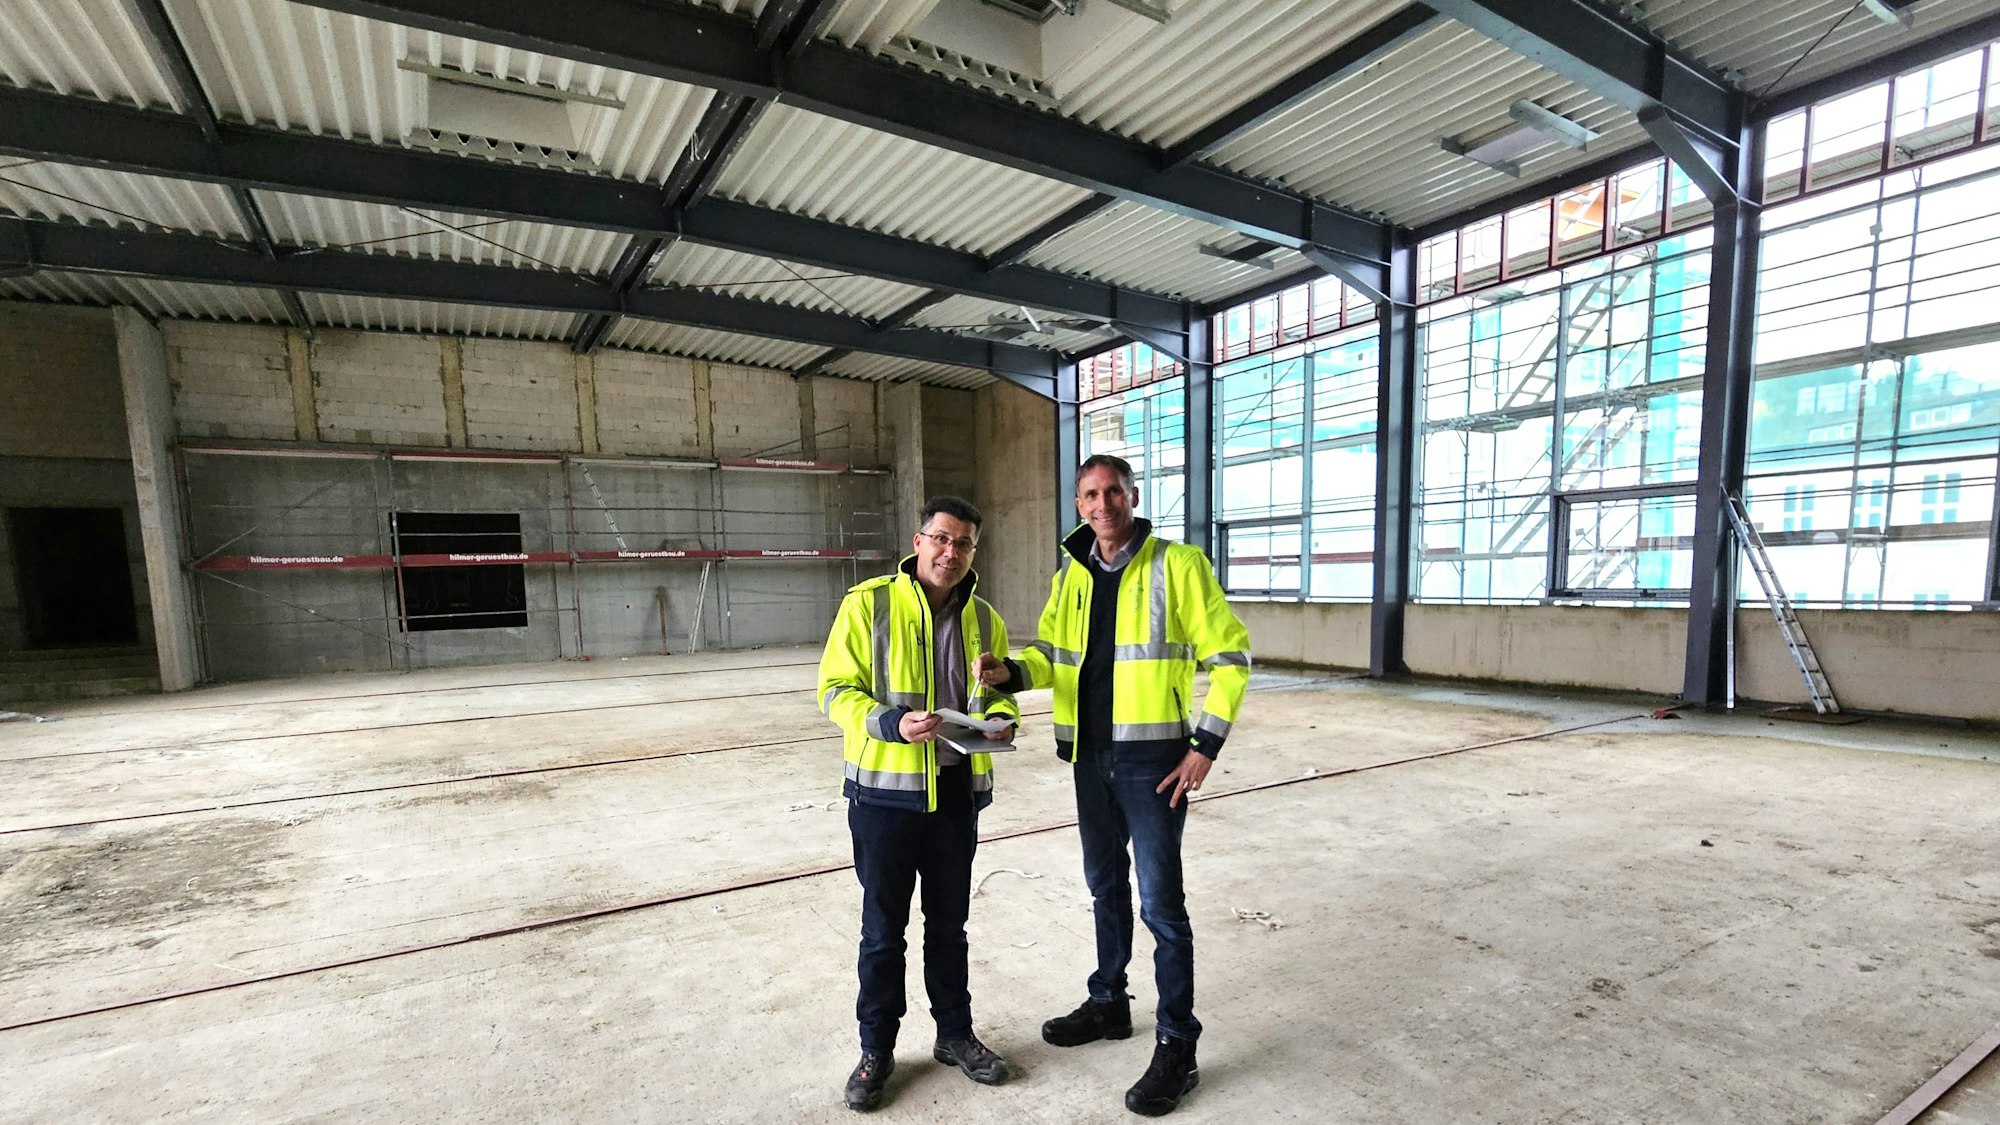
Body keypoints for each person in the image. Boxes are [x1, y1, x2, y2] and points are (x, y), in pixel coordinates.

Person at [977, 454, 1251, 1117]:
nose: (1103, 504)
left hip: (1153, 759)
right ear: (1079, 505)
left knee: (1161, 904)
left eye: (1113, 492)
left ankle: (1178, 1044)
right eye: (1090, 494)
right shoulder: (1072, 573)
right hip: (1088, 757)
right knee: (1104, 885)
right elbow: (1053, 654)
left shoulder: (1177, 565)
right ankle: (1109, 1002)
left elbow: (1232, 656)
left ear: (1134, 496)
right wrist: (1008, 672)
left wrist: (1203, 746)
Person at [817, 496, 1020, 1112]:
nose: (950, 553)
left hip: (957, 796)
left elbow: (999, 696)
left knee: (949, 927)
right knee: (883, 933)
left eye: (963, 544)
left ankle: (955, 1036)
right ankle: (876, 1049)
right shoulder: (868, 603)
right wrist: (890, 723)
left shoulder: (985, 618)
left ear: (973, 552)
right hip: (883, 797)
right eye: (941, 539)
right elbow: (832, 690)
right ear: (918, 539)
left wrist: (1003, 723)